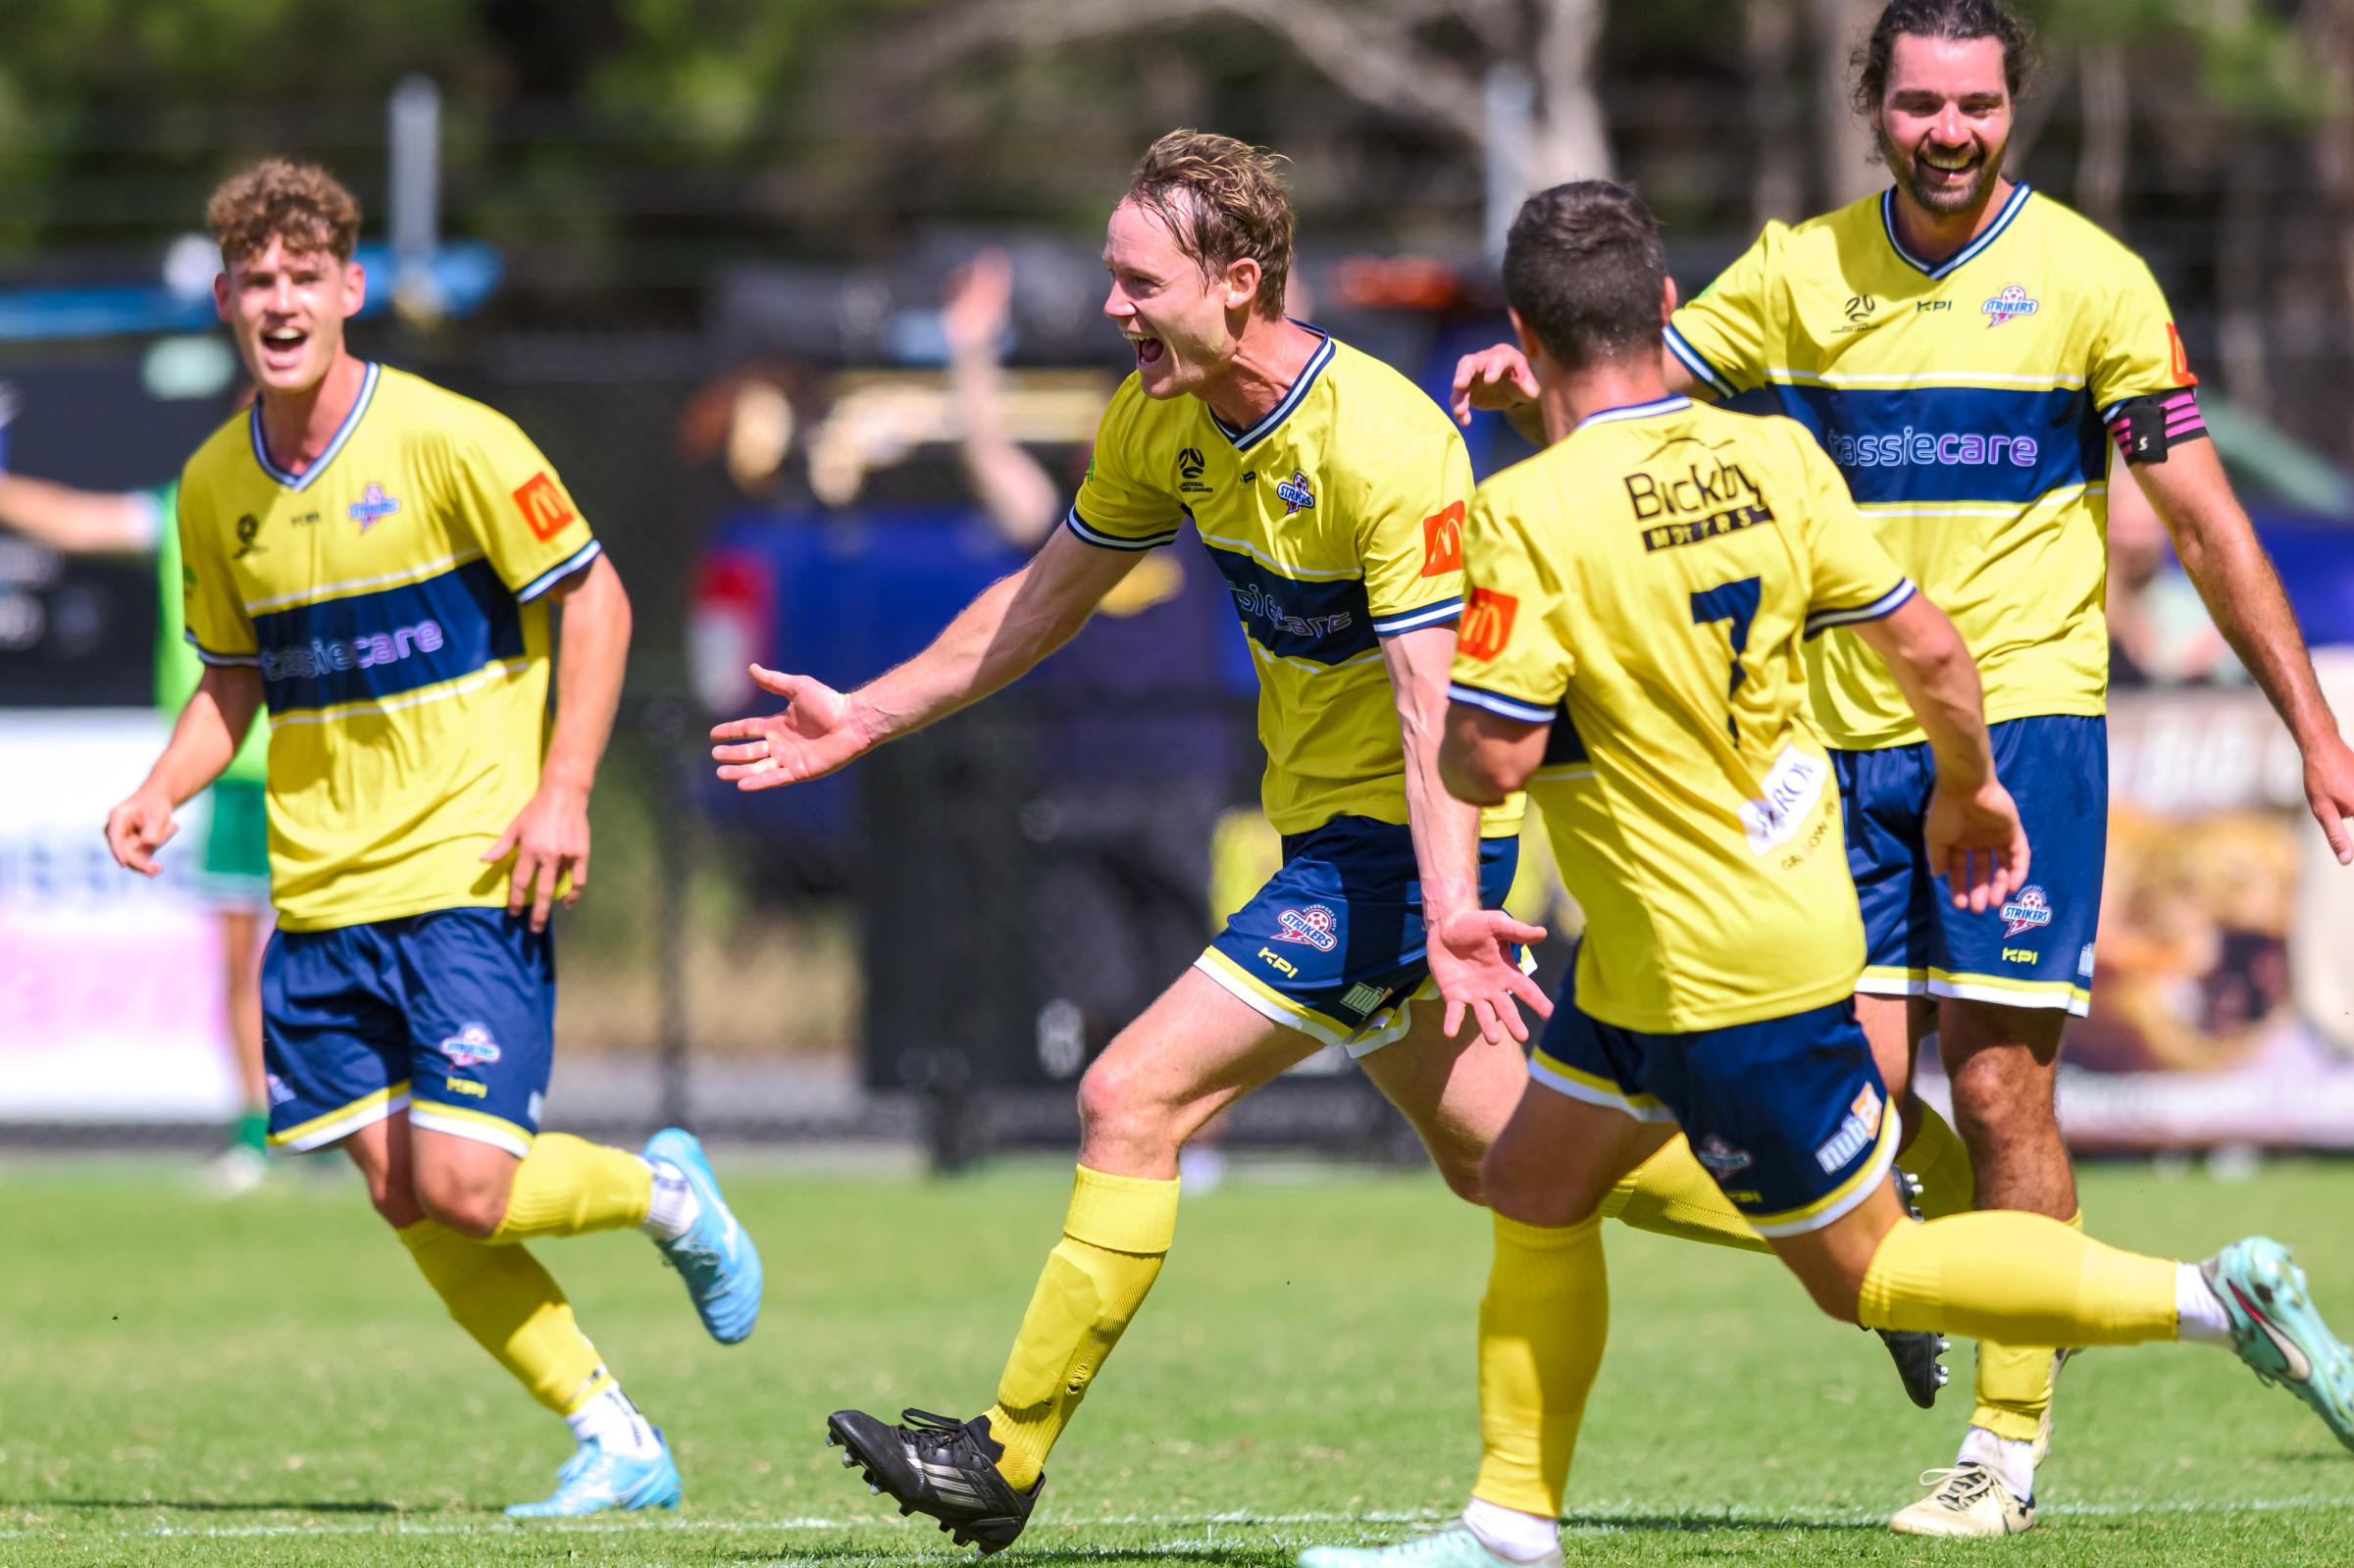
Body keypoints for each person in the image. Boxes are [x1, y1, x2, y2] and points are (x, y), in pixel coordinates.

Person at [713, 130, 1929, 1555]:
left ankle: (1003, 1451)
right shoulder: (1158, 421)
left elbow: (1434, 711)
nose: (1110, 306)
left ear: (1239, 282)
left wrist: (1449, 901)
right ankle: (1874, 1223)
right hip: (1356, 846)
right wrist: (865, 714)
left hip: (1402, 857)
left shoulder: (1383, 441)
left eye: (1136, 279)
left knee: (1128, 1096)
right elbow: (1034, 603)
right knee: (1501, 1158)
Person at [1301, 177, 2354, 1568]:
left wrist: (1455, 712)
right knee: (1532, 1180)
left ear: (1522, 334)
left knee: (1873, 1273)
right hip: (1687, 925)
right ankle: (1507, 1520)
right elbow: (1928, 647)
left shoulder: (1526, 515)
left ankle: (2218, 1297)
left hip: (1703, 951)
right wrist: (1971, 787)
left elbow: (1489, 762)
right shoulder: (1772, 464)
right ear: (1668, 311)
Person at [101, 158, 763, 1517]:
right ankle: (612, 1432)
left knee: (466, 1183)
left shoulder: (455, 439)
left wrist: (564, 783)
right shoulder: (212, 484)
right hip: (322, 893)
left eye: (305, 277)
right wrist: (163, 785)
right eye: (256, 280)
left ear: (350, 289)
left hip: (469, 868)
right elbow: (233, 676)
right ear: (228, 298)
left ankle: (667, 1194)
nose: (280, 302)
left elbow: (597, 601)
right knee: (407, 1195)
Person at [0, 451, 275, 1189]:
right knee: (239, 964)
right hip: (236, 770)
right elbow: (74, 520)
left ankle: (376, 1120)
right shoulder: (194, 500)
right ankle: (259, 1133)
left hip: (338, 766)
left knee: (356, 957)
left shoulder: (356, 496)